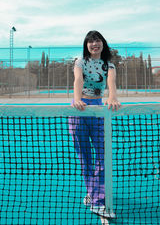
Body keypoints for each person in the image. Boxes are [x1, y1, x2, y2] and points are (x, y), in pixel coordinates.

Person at [69, 30, 120, 218]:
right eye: (90, 41)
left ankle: (98, 200)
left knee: (103, 156)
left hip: (99, 110)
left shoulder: (110, 65)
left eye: (97, 40)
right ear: (86, 45)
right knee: (85, 157)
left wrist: (112, 98)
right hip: (79, 110)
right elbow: (78, 80)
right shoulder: (80, 62)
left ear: (103, 44)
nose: (94, 44)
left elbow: (111, 84)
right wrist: (77, 99)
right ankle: (93, 193)